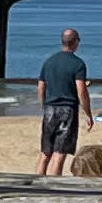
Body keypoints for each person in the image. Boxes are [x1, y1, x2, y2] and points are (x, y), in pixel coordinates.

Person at [35, 27, 92, 173]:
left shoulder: (49, 62)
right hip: (68, 110)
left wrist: (44, 106)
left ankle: (36, 185)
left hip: (50, 109)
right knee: (59, 154)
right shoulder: (78, 64)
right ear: (75, 42)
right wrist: (88, 114)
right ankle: (53, 188)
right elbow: (81, 91)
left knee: (45, 153)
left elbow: (41, 87)